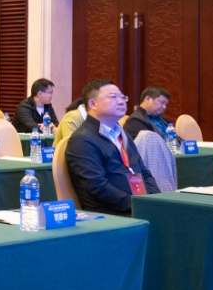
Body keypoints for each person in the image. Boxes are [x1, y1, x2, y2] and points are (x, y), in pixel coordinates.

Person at [65, 79, 159, 216]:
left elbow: (144, 172)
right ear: (92, 104)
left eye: (122, 97)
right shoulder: (82, 140)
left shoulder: (122, 134)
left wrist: (155, 200)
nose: (121, 102)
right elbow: (98, 187)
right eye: (113, 97)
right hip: (112, 214)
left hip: (139, 207)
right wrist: (139, 205)